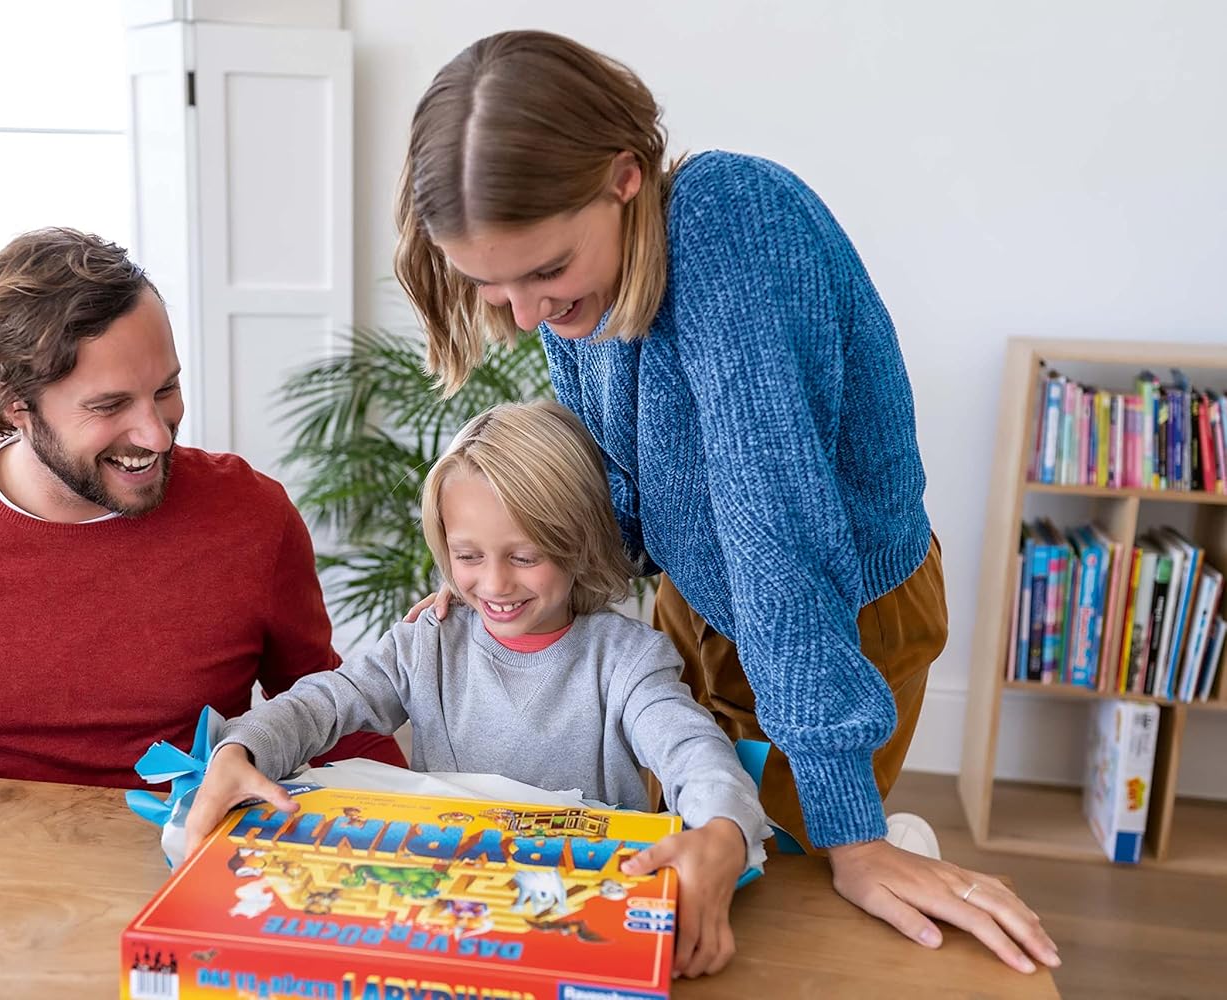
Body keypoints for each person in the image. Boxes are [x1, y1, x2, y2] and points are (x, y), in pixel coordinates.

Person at [392, 31, 1058, 975]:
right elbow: (623, 495)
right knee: (695, 876)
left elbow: (774, 529)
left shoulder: (728, 225)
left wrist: (852, 828)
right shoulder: (583, 293)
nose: (527, 315)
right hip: (701, 606)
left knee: (780, 917)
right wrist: (514, 573)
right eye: (491, 288)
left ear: (624, 178)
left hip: (835, 615)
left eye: (544, 273)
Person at [0, 227, 403, 787]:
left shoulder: (250, 516)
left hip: (187, 865)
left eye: (166, 389)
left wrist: (442, 827)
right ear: (11, 404)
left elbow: (331, 714)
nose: (157, 435)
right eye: (109, 407)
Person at [184, 400, 772, 979]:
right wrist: (243, 749)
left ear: (579, 541)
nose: (494, 583)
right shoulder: (427, 643)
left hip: (574, 924)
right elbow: (325, 702)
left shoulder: (627, 661)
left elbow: (693, 751)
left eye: (525, 556)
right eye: (467, 556)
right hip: (446, 922)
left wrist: (721, 829)